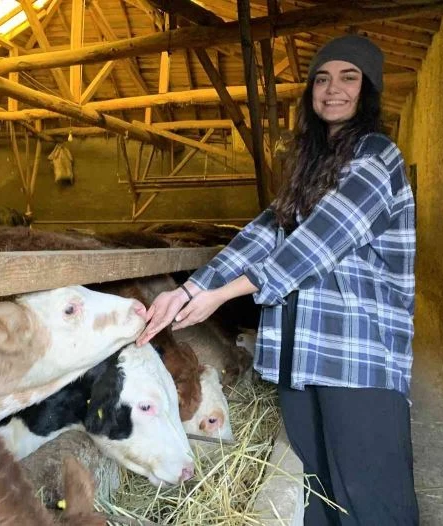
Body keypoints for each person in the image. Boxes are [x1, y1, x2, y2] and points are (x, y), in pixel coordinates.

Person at [136, 35, 418, 525]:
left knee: (371, 495)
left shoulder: (378, 158)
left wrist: (222, 295)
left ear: (368, 90)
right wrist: (188, 290)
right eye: (322, 78)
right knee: (319, 488)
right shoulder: (311, 166)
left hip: (357, 357)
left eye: (349, 78)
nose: (333, 90)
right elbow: (262, 234)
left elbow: (318, 244)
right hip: (303, 354)